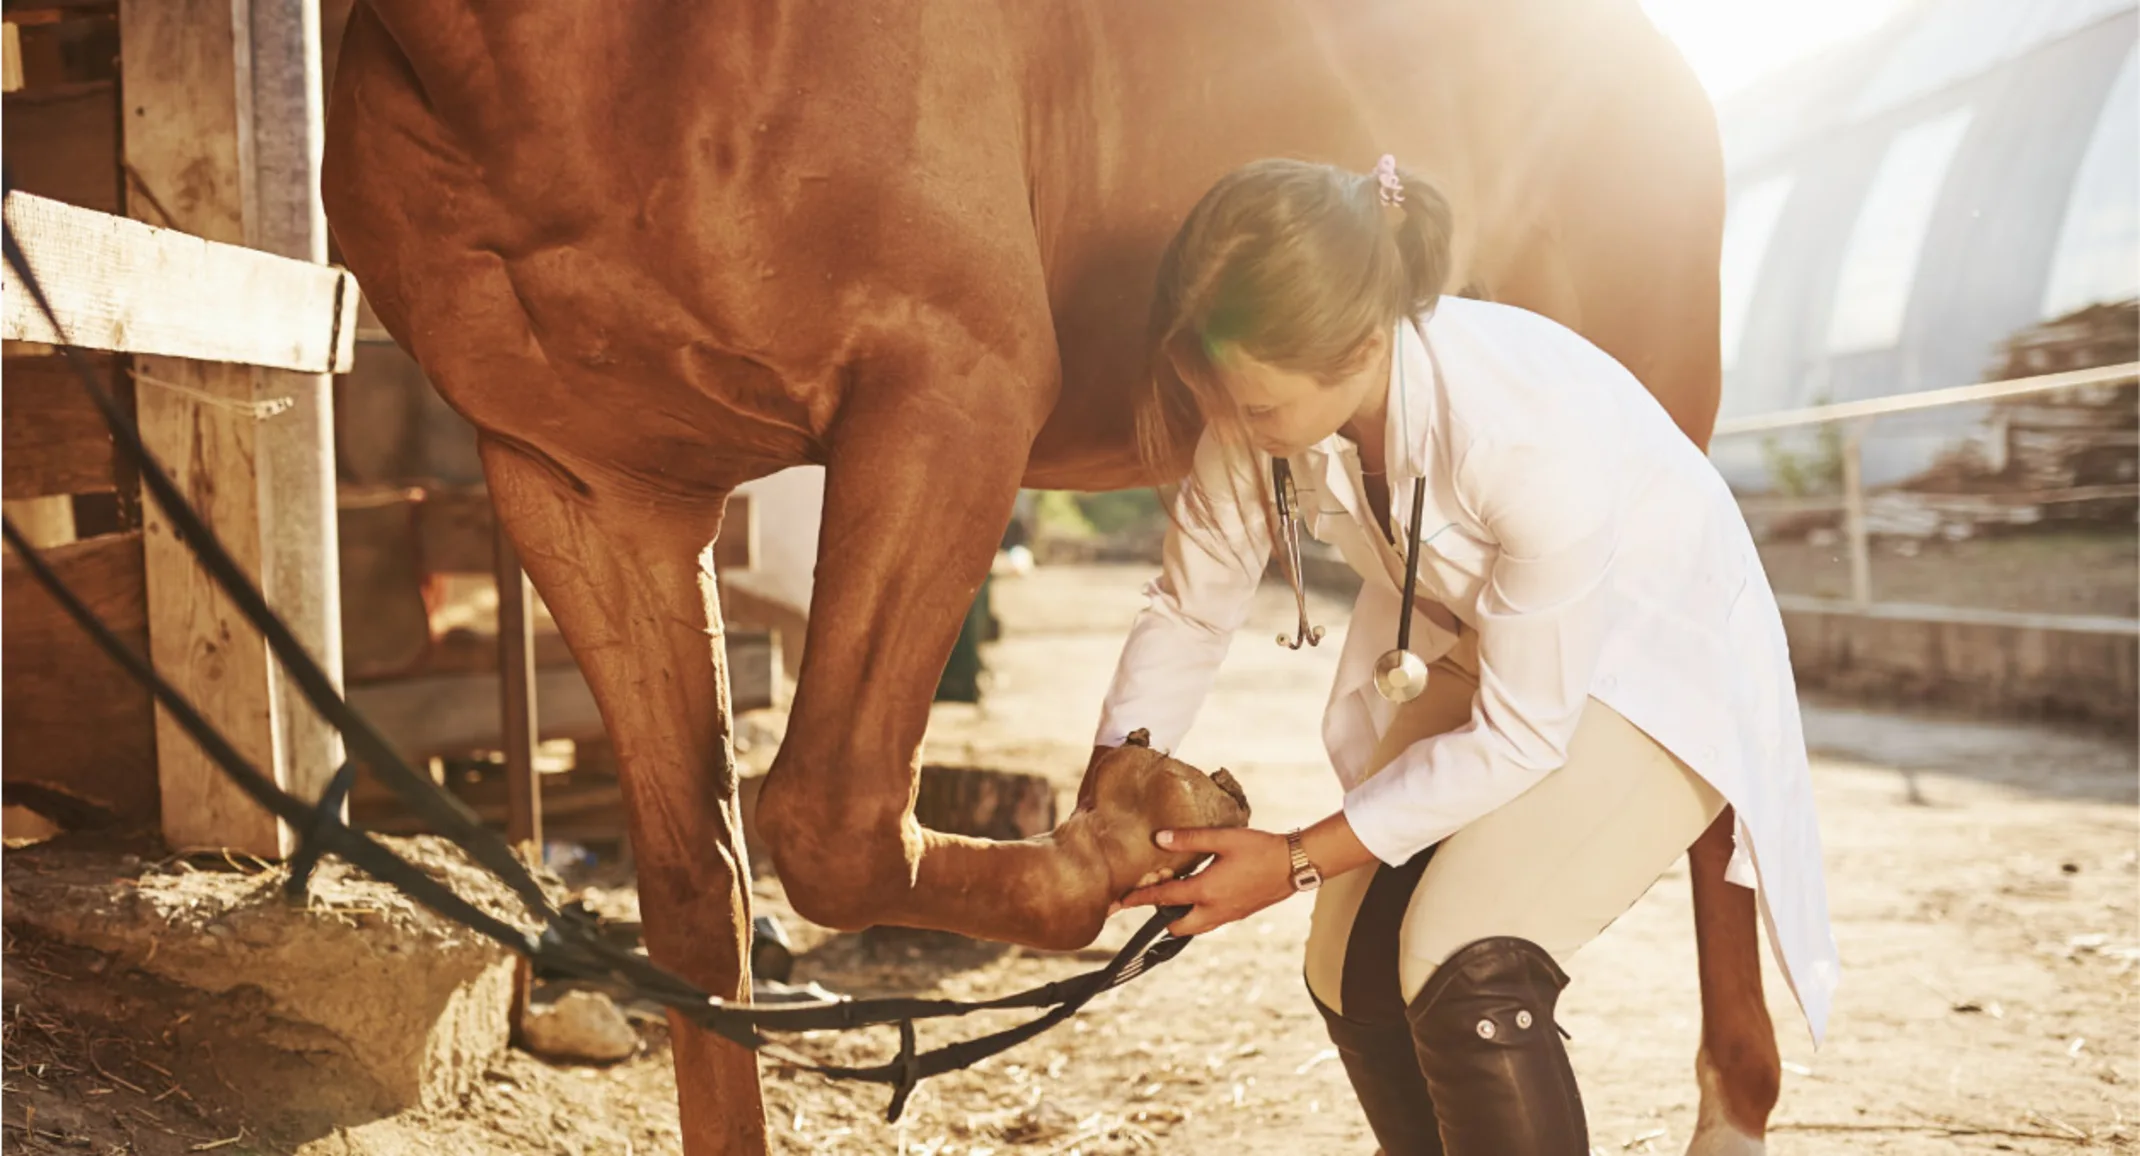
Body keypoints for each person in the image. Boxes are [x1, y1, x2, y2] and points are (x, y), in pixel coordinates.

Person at [1092, 156, 1838, 1155]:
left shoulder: (1521, 435)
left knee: (1463, 953)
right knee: (1345, 962)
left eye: (1257, 410)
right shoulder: (1256, 404)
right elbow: (1191, 608)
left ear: (1358, 344)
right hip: (1497, 639)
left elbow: (1524, 732)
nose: (1233, 430)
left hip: (1655, 664)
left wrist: (1292, 859)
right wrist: (1113, 779)